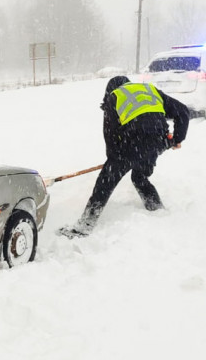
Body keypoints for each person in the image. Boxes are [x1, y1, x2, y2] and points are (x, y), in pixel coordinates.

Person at [59, 75, 190, 238]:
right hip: (158, 141)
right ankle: (156, 210)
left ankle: (84, 226)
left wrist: (114, 162)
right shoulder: (150, 90)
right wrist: (177, 138)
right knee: (140, 177)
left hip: (134, 142)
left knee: (105, 183)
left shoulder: (114, 97)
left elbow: (110, 135)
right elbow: (183, 111)